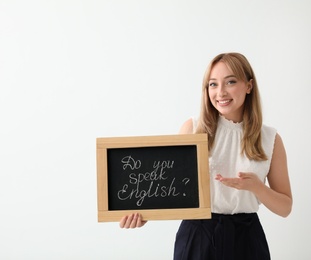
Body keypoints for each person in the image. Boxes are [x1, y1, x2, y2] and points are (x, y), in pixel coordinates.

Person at [119, 52, 292, 260]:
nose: (220, 92)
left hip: (247, 239)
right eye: (213, 84)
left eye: (230, 82)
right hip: (197, 236)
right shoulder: (193, 128)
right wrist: (145, 214)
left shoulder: (270, 138)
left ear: (249, 86)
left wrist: (256, 187)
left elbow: (285, 207)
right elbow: (168, 188)